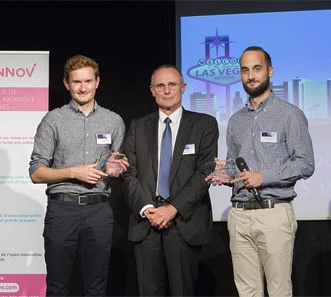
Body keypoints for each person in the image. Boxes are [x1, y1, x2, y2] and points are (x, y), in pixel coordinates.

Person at [210, 46, 315, 297]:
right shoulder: (236, 120)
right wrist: (226, 175)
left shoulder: (290, 115)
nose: (251, 76)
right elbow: (235, 163)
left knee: (279, 291)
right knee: (247, 292)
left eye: (257, 69)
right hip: (239, 215)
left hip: (274, 213)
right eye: (245, 70)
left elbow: (305, 163)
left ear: (270, 71)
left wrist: (263, 176)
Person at [29, 54, 128, 297]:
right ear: (66, 84)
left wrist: (119, 168)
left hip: (99, 210)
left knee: (96, 288)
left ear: (97, 82)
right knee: (58, 286)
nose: (83, 88)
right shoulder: (53, 119)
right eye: (76, 82)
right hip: (62, 210)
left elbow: (116, 167)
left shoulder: (113, 120)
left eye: (87, 81)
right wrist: (74, 172)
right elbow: (36, 172)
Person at [122, 65, 219, 296]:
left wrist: (173, 208)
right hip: (146, 220)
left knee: (182, 291)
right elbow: (128, 172)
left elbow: (205, 171)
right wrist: (148, 209)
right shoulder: (138, 126)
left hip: (183, 220)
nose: (167, 91)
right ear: (152, 90)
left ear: (183, 88)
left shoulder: (204, 124)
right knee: (148, 291)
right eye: (160, 86)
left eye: (172, 85)